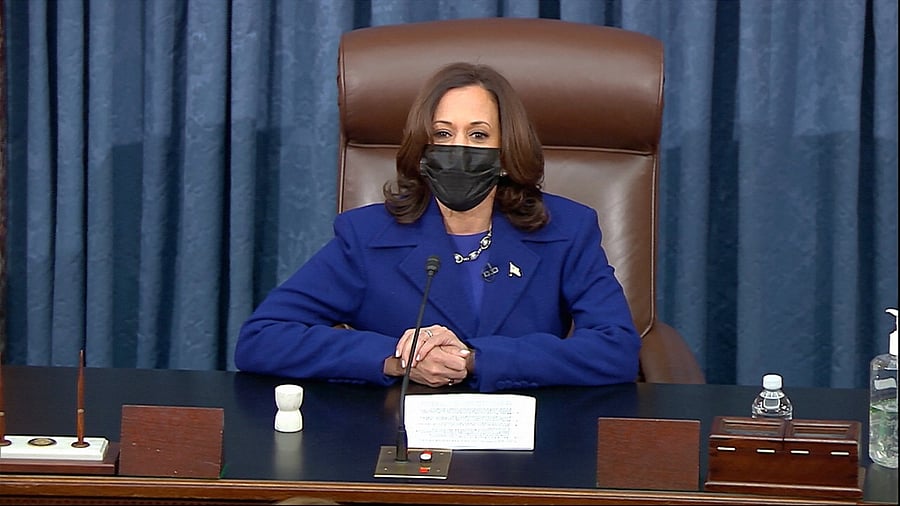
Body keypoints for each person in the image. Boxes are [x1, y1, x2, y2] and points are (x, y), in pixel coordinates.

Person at [235, 62, 641, 392]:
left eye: (478, 135)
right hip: (396, 440)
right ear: (424, 152)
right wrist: (395, 358)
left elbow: (616, 349)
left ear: (505, 153)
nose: (458, 150)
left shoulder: (566, 229)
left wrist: (478, 359)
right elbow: (262, 339)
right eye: (443, 134)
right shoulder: (366, 236)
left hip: (527, 440)